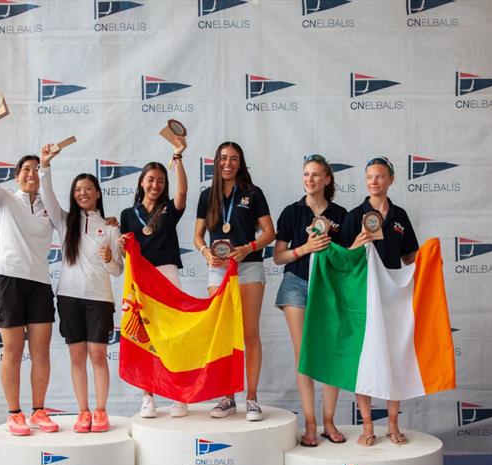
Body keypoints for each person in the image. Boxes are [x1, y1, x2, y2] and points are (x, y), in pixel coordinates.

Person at [0, 113, 58, 436]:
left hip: (39, 284)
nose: (32, 174)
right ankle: (14, 413)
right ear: (17, 176)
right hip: (8, 280)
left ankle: (39, 410)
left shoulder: (49, 207)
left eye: (37, 170)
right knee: (12, 350)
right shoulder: (5, 199)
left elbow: (73, 223)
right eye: (26, 169)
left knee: (41, 351)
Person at [39, 144, 123, 433]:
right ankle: (83, 412)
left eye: (88, 188)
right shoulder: (65, 222)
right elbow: (47, 198)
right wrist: (45, 166)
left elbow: (118, 270)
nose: (83, 193)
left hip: (99, 298)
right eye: (78, 190)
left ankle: (101, 411)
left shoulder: (112, 227)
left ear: (98, 192)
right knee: (77, 357)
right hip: (68, 298)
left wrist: (111, 259)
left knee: (98, 355)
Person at [194, 141, 275, 421]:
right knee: (224, 335)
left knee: (249, 333)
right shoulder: (207, 195)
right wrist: (206, 253)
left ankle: (251, 398)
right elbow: (197, 236)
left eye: (234, 159)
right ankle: (227, 396)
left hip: (249, 267)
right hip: (218, 270)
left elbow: (269, 233)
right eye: (224, 158)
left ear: (240, 164)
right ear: (216, 161)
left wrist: (248, 248)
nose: (228, 163)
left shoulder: (253, 194)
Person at [341, 156, 418, 446]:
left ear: (391, 180)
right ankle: (368, 426)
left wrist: (426, 268)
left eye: (380, 176)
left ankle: (394, 424)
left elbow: (410, 255)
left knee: (394, 356)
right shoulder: (353, 216)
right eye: (370, 177)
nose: (374, 181)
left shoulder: (400, 216)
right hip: (363, 295)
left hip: (393, 295)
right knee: (366, 359)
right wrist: (358, 243)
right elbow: (343, 258)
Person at [273, 155, 348, 447]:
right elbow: (279, 257)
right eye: (306, 174)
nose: (310, 179)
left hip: (330, 287)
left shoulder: (342, 214)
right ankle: (310, 422)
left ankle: (329, 420)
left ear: (327, 179)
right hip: (296, 285)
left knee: (329, 353)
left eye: (316, 174)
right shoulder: (291, 213)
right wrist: (305, 248)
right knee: (303, 354)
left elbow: (349, 255)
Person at [119, 140, 189, 418]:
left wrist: (178, 158)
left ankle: (178, 394)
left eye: (160, 181)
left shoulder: (170, 210)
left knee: (172, 335)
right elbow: (125, 250)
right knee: (144, 336)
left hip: (167, 275)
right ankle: (148, 396)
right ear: (141, 182)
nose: (156, 185)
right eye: (151, 180)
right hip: (141, 280)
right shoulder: (127, 214)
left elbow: (182, 191)